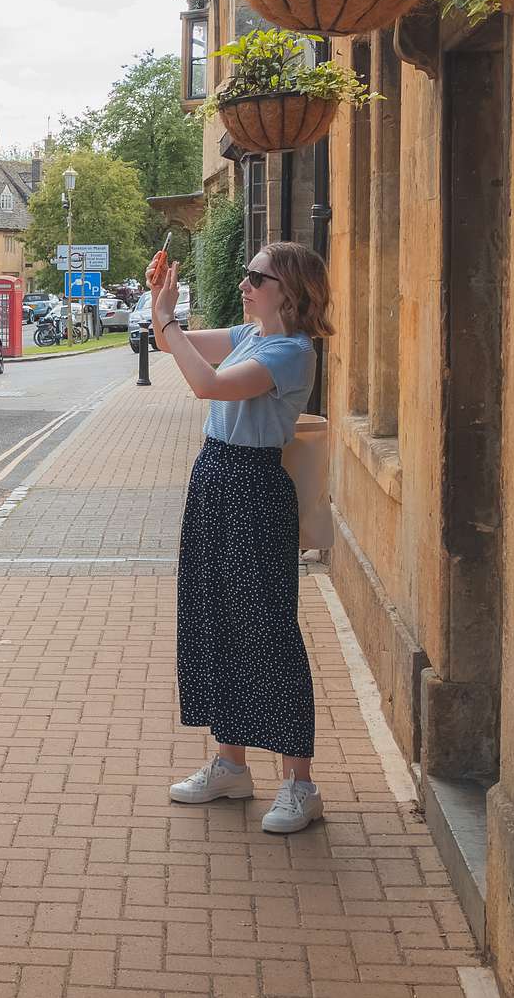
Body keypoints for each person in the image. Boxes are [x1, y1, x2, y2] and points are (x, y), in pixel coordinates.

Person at [145, 239, 329, 834]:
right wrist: (161, 305)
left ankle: (300, 785)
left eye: (257, 277)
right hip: (215, 474)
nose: (245, 284)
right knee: (215, 617)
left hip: (254, 485)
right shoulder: (249, 335)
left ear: (290, 292)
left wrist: (168, 319)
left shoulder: (291, 352)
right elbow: (172, 345)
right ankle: (231, 765)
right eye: (247, 274)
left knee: (267, 630)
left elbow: (206, 384)